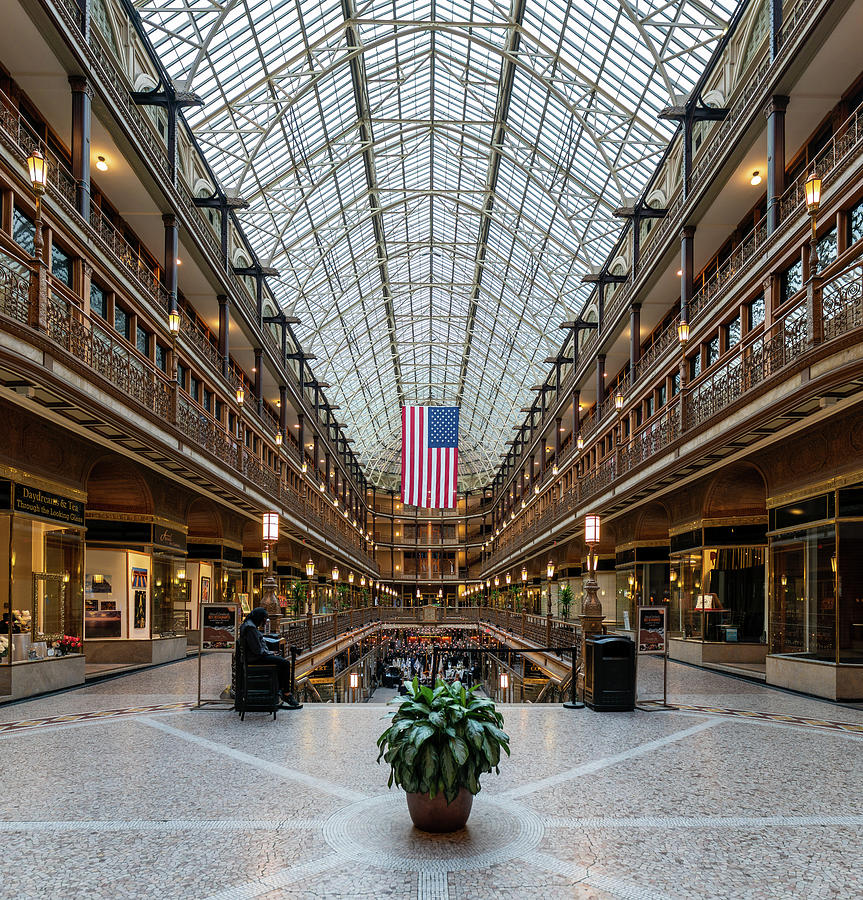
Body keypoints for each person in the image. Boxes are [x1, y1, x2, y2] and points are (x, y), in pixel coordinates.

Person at [239, 608, 301, 709]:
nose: (265, 621)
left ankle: (281, 690)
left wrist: (271, 653)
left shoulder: (249, 625)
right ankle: (286, 693)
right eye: (264, 619)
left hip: (254, 657)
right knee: (285, 663)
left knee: (280, 661)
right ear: (260, 618)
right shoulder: (251, 628)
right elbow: (257, 650)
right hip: (255, 659)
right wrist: (270, 653)